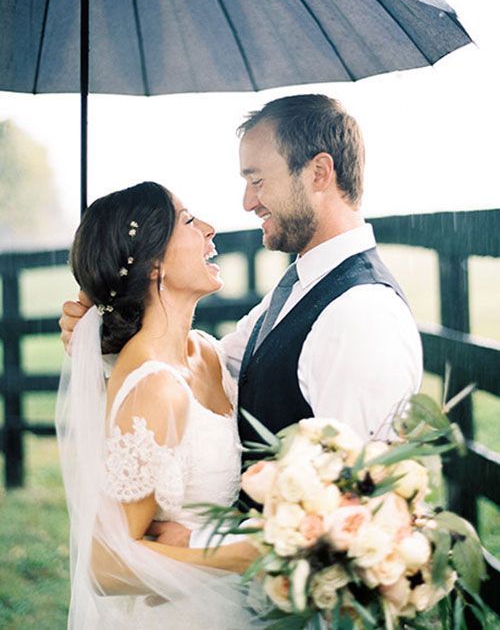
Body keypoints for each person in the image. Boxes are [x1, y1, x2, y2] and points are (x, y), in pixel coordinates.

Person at [60, 94, 422, 547]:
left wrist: (200, 542)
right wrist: (105, 336)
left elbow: (354, 510)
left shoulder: (359, 314)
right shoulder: (299, 286)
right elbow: (214, 370)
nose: (248, 201)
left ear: (318, 173)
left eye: (257, 180)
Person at [56, 181, 261, 629]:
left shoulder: (206, 353)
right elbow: (104, 565)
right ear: (153, 265)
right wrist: (240, 555)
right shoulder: (154, 388)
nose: (208, 229)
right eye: (188, 220)